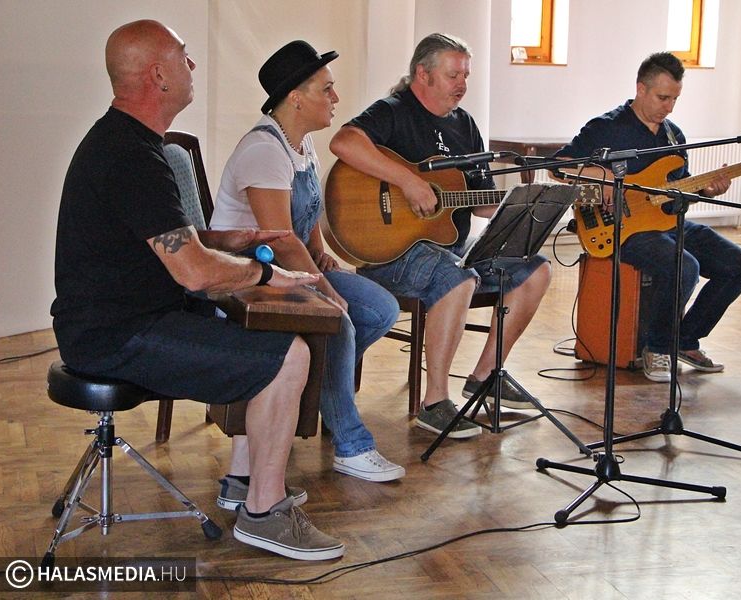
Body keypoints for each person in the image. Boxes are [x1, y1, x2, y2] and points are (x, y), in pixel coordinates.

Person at [51, 20, 344, 561]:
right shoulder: (131, 156)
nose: (192, 66)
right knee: (289, 358)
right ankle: (264, 513)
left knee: (263, 335)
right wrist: (266, 274)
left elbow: (161, 240)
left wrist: (218, 239)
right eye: (183, 57)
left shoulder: (127, 142)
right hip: (116, 337)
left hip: (119, 322)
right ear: (158, 76)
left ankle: (244, 482)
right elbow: (192, 273)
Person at [329, 33, 552, 437]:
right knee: (458, 277)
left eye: (466, 75)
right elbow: (343, 142)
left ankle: (486, 376)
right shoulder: (395, 111)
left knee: (534, 269)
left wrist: (526, 205)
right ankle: (434, 403)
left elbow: (481, 201)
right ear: (423, 74)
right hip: (392, 253)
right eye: (453, 75)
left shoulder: (465, 125)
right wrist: (408, 182)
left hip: (450, 246)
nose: (462, 84)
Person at [210, 41, 403, 483]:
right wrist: (327, 292)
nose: (336, 98)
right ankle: (350, 444)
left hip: (290, 267)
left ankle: (309, 395)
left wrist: (321, 254)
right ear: (296, 98)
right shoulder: (263, 150)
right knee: (340, 323)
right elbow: (279, 239)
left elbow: (308, 211)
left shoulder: (302, 143)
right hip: (248, 277)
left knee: (379, 309)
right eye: (326, 89)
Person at [556, 52, 741, 382]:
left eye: (675, 99)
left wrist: (707, 190)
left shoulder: (674, 136)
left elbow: (679, 190)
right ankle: (658, 348)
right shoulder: (606, 127)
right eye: (663, 98)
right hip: (622, 228)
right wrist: (601, 176)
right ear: (641, 89)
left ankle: (685, 339)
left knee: (739, 265)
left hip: (668, 223)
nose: (669, 107)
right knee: (684, 266)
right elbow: (558, 168)